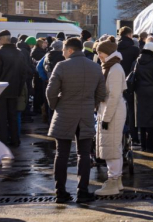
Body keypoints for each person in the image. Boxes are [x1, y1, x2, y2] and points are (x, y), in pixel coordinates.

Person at [46, 38, 106, 204]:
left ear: (70, 50)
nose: (63, 53)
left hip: (64, 113)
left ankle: (60, 192)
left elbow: (50, 91)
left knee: (61, 153)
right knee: (84, 154)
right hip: (86, 114)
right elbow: (102, 93)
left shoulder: (62, 66)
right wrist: (91, 105)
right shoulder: (95, 67)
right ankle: (83, 191)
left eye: (64, 50)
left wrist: (56, 105)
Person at [94, 37, 127, 196]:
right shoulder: (112, 66)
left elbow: (113, 96)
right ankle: (116, 180)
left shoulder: (113, 68)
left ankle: (113, 181)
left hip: (111, 112)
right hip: (111, 110)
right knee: (113, 146)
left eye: (100, 52)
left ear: (106, 52)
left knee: (111, 147)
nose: (98, 55)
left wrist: (106, 119)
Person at [0, 30, 33, 147]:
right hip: (14, 90)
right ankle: (15, 140)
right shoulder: (19, 53)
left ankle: (3, 141)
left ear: (3, 39)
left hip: (1, 91)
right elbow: (24, 73)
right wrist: (19, 89)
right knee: (13, 116)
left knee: (2, 118)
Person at [129, 41, 153, 152]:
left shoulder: (137, 61)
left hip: (139, 93)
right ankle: (151, 145)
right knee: (152, 120)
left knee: (142, 120)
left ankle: (143, 144)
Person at [117, 26, 141, 143]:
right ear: (129, 35)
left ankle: (120, 136)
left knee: (118, 109)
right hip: (131, 83)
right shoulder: (134, 49)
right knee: (132, 111)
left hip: (117, 81)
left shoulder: (115, 49)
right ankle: (134, 137)